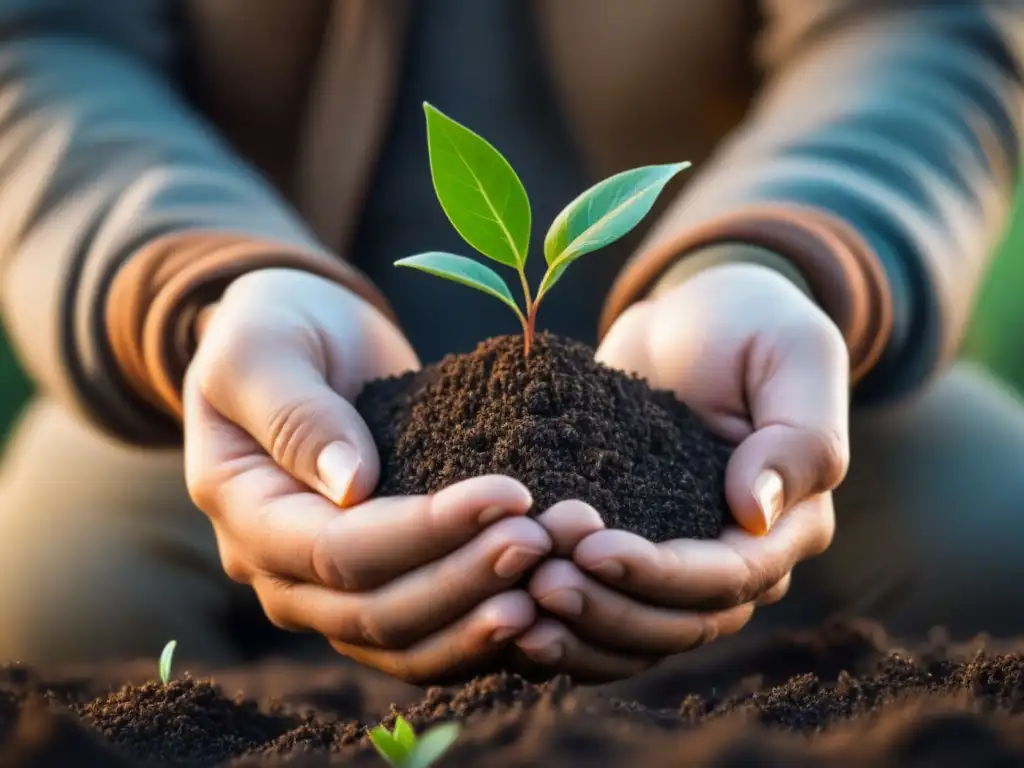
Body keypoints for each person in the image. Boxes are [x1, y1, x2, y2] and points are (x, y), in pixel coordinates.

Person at [0, 0, 1021, 684]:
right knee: (55, 588)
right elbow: (42, 47)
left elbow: (914, 25)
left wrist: (769, 255)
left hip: (731, 331)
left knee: (993, 530)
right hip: (257, 337)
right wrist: (199, 279)